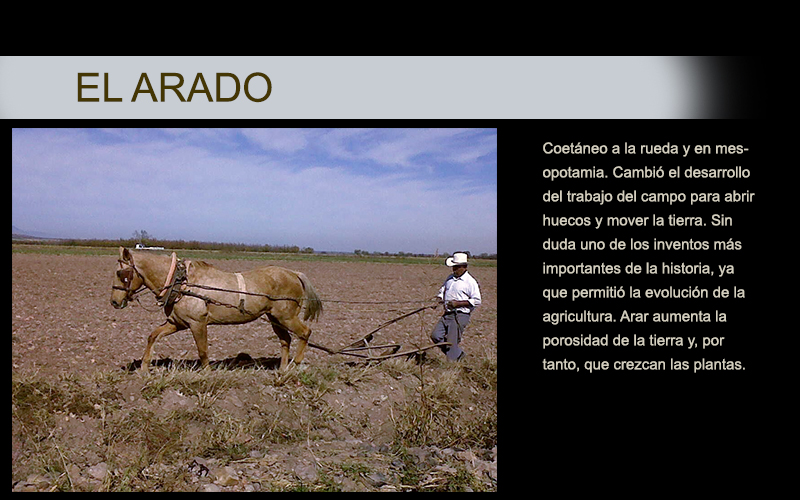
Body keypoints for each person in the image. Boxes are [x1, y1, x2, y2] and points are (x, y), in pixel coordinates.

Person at [430, 252, 482, 361]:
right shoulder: (450, 278)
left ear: (464, 267)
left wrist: (458, 304)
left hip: (460, 315)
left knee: (451, 342)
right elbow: (442, 291)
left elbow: (477, 300)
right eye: (453, 267)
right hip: (447, 314)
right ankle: (458, 354)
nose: (454, 269)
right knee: (436, 335)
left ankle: (452, 364)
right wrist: (438, 300)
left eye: (456, 267)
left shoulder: (470, 282)